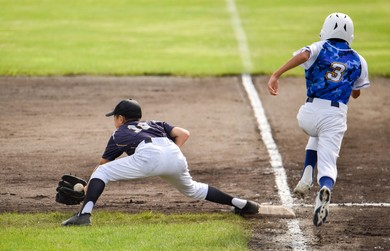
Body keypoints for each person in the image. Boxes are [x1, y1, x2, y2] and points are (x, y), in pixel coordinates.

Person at [62, 98, 259, 226]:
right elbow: (184, 134)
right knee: (193, 189)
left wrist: (89, 187)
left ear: (121, 118)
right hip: (173, 153)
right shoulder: (156, 124)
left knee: (100, 174)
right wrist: (170, 156)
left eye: (114, 117)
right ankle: (242, 204)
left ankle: (84, 215)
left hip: (149, 155)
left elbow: (103, 165)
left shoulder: (119, 132)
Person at [267, 12, 370, 226]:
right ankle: (325, 188)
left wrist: (276, 74)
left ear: (326, 29)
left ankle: (306, 178)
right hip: (335, 116)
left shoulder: (319, 47)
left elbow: (304, 56)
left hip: (309, 114)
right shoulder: (359, 60)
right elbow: (357, 92)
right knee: (328, 162)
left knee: (316, 133)